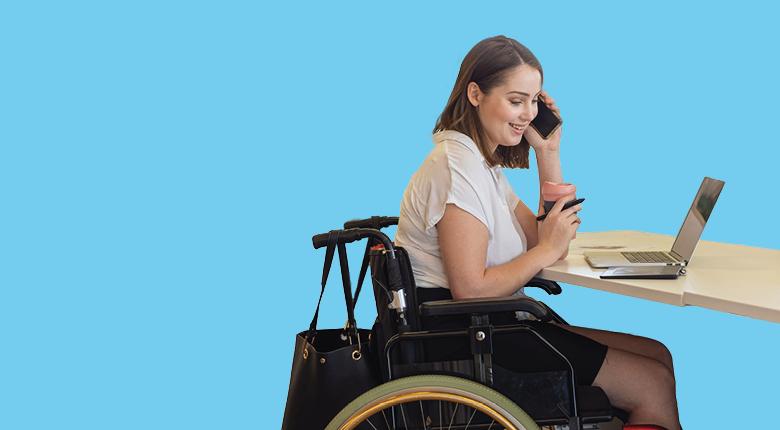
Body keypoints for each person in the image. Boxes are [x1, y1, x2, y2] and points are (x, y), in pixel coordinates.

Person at [395, 35, 682, 430]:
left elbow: (546, 239)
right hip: (470, 337)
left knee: (658, 355)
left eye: (534, 100)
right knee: (652, 383)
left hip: (493, 325)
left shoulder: (483, 167)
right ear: (475, 94)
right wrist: (546, 250)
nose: (528, 113)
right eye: (516, 100)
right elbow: (471, 289)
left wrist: (548, 153)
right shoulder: (456, 169)